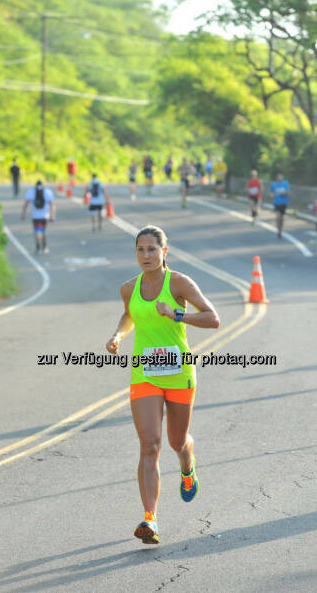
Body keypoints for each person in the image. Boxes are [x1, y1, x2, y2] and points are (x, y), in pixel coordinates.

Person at [105, 225, 220, 544]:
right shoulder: (128, 288)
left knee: (176, 441)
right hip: (144, 373)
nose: (146, 255)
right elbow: (129, 316)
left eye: (152, 249)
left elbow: (213, 318)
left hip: (179, 371)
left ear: (164, 252)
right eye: (140, 250)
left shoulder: (180, 282)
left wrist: (177, 315)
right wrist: (118, 335)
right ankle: (150, 519)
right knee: (150, 444)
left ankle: (188, 463)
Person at [21, 180, 55, 254]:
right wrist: (52, 215)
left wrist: (23, 214)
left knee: (37, 231)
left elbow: (25, 204)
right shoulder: (48, 192)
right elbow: (52, 204)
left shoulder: (31, 192)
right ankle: (45, 246)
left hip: (35, 216)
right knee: (43, 231)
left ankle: (38, 247)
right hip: (45, 215)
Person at [270, 172, 290, 238]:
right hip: (277, 203)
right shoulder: (274, 184)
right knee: (278, 217)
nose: (280, 177)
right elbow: (271, 193)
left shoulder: (285, 183)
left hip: (284, 203)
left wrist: (283, 193)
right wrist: (272, 196)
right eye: (279, 176)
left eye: (281, 176)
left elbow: (288, 192)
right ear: (277, 177)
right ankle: (278, 230)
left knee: (282, 218)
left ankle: (280, 230)